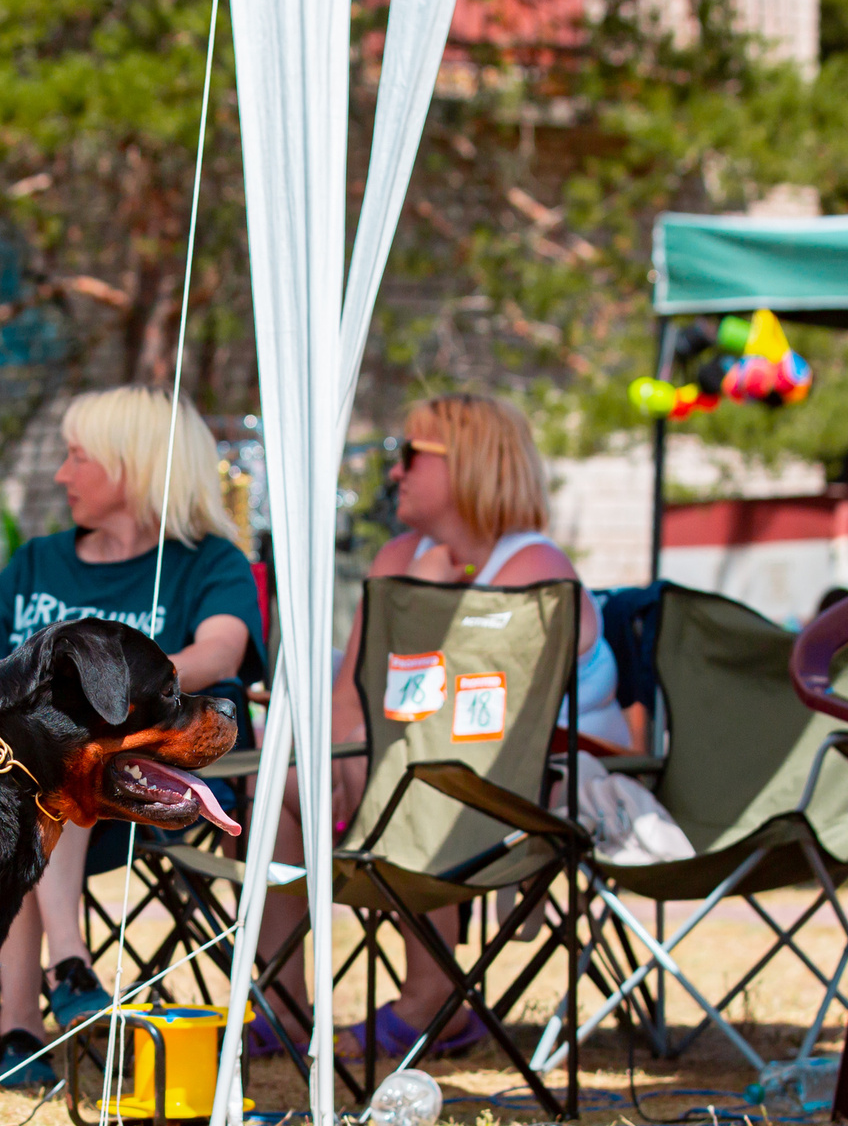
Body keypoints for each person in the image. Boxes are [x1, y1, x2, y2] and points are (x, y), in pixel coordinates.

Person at [258, 394, 631, 1062]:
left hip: (529, 793)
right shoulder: (397, 557)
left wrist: (424, 604)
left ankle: (433, 997)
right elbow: (350, 701)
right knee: (279, 777)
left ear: (470, 462)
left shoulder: (536, 569)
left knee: (419, 772)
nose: (395, 471)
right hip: (412, 778)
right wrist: (330, 771)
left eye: (410, 455)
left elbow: (469, 721)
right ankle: (283, 1002)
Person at [0, 388, 265, 1088]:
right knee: (35, 769)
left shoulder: (208, 562)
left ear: (133, 465)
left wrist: (106, 691)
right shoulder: (38, 560)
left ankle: (40, 998)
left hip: (155, 788)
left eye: (78, 456)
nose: (63, 473)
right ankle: (49, 993)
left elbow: (221, 652)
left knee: (67, 753)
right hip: (27, 786)